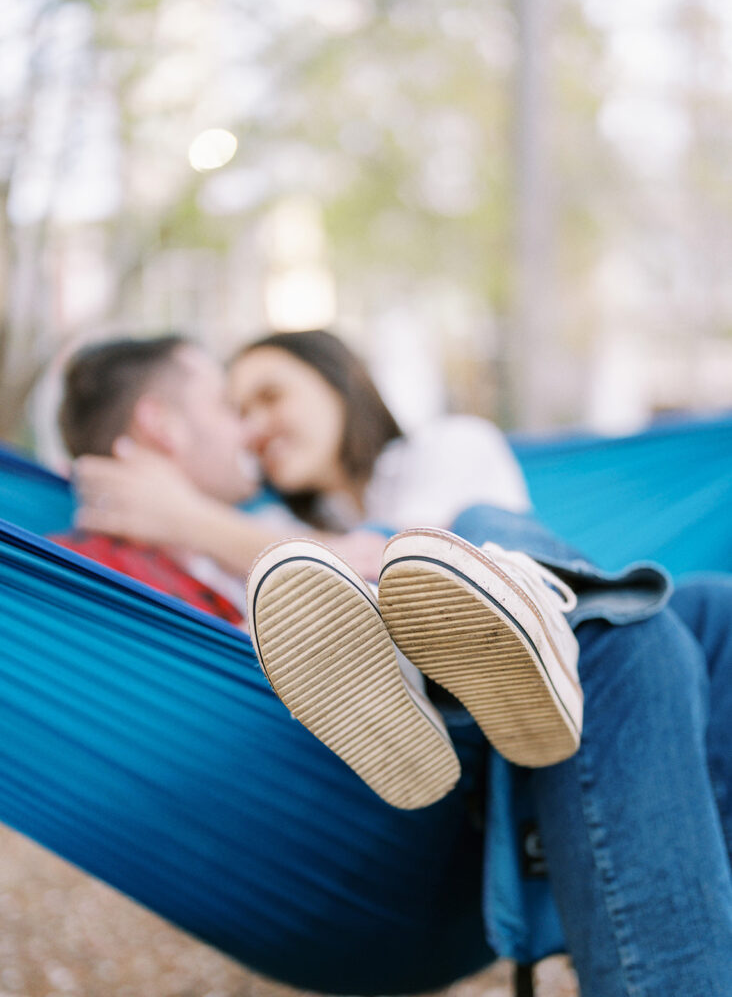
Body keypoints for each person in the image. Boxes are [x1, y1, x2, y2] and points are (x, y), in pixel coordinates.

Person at [74, 330, 732, 996]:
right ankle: (531, 632)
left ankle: (521, 619)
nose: (251, 430)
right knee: (628, 638)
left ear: (336, 381)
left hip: (515, 716)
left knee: (702, 608)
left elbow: (383, 552)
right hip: (443, 790)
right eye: (237, 412)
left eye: (270, 396)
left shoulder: (444, 447)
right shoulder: (268, 527)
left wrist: (187, 518)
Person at [53, 335, 387, 620]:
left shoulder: (256, 519)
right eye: (227, 406)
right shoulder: (97, 579)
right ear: (161, 424)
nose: (250, 432)